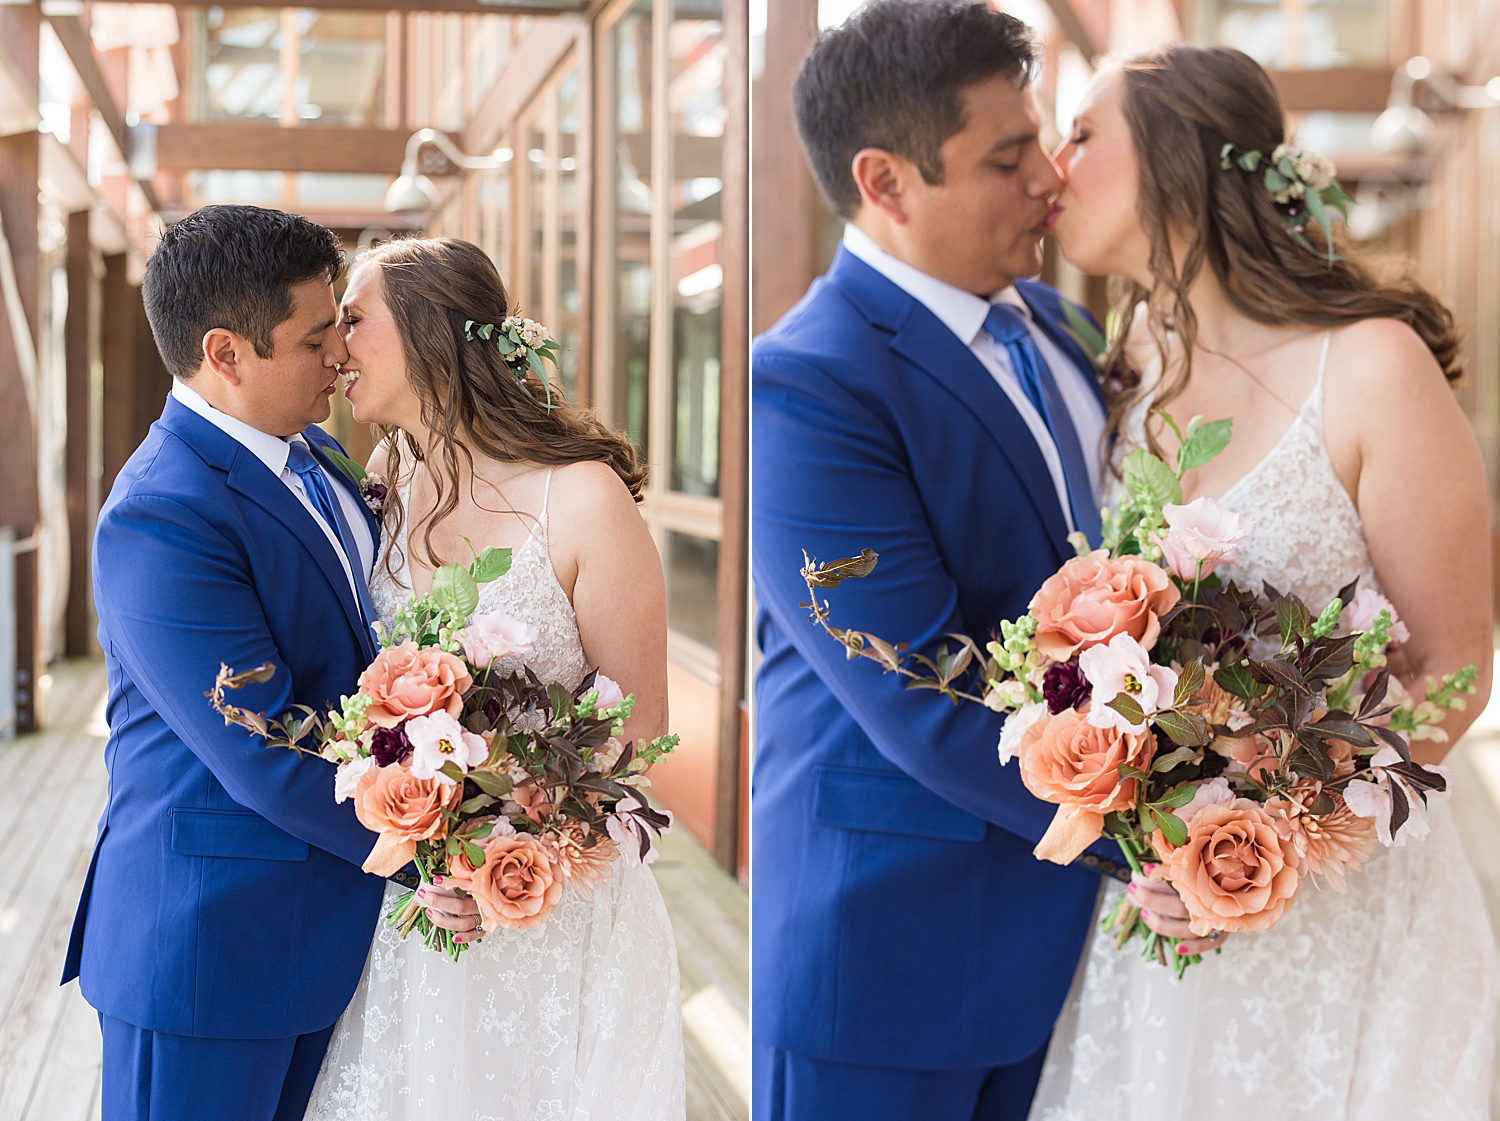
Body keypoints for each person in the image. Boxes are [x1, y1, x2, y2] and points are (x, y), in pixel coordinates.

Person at [1030, 44, 1498, 1120]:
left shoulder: (1373, 365)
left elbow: (1455, 668)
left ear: (1178, 164)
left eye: (1086, 134)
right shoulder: (1134, 354)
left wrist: (1265, 843)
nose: (1057, 165)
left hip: (1343, 905)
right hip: (1165, 903)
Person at [750, 3, 1123, 1118]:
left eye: (1046, 144)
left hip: (1075, 949)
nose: (1051, 181)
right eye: (1008, 160)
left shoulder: (1061, 328)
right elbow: (919, 682)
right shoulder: (803, 385)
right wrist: (1171, 833)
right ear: (888, 181)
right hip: (890, 955)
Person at [301, 236, 685, 1120]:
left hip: (553, 906)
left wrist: (506, 863)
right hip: (421, 909)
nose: (336, 345)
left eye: (354, 321)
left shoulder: (583, 498)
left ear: (432, 334)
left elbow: (640, 736)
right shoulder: (387, 481)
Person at [64, 205, 392, 1121]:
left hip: (316, 935)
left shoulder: (318, 451)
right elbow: (267, 740)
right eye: (315, 337)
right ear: (227, 353)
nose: (340, 356)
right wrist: (438, 855)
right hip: (205, 951)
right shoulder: (161, 513)